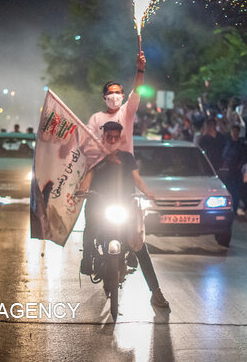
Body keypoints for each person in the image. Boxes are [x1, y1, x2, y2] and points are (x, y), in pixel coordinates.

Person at [76, 122, 169, 308]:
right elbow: (87, 178)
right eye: (108, 137)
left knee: (140, 246)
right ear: (103, 137)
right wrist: (82, 190)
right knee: (90, 229)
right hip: (98, 205)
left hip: (125, 205)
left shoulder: (127, 157)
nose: (111, 140)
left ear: (120, 138)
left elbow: (137, 179)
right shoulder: (96, 158)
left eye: (115, 137)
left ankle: (156, 292)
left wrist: (147, 191)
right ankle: (87, 260)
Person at [86, 51, 146, 158]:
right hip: (102, 169)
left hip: (125, 168)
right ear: (104, 97)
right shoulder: (96, 118)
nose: (114, 96)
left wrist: (140, 70)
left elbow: (137, 91)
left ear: (123, 96)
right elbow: (86, 140)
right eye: (110, 93)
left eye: (117, 93)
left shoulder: (127, 111)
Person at [221, 124, 247, 213]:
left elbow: (244, 158)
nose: (234, 133)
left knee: (235, 191)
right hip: (228, 171)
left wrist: (238, 167)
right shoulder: (228, 143)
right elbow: (224, 156)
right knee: (228, 190)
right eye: (233, 131)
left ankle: (234, 208)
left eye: (236, 131)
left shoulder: (241, 144)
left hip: (236, 172)